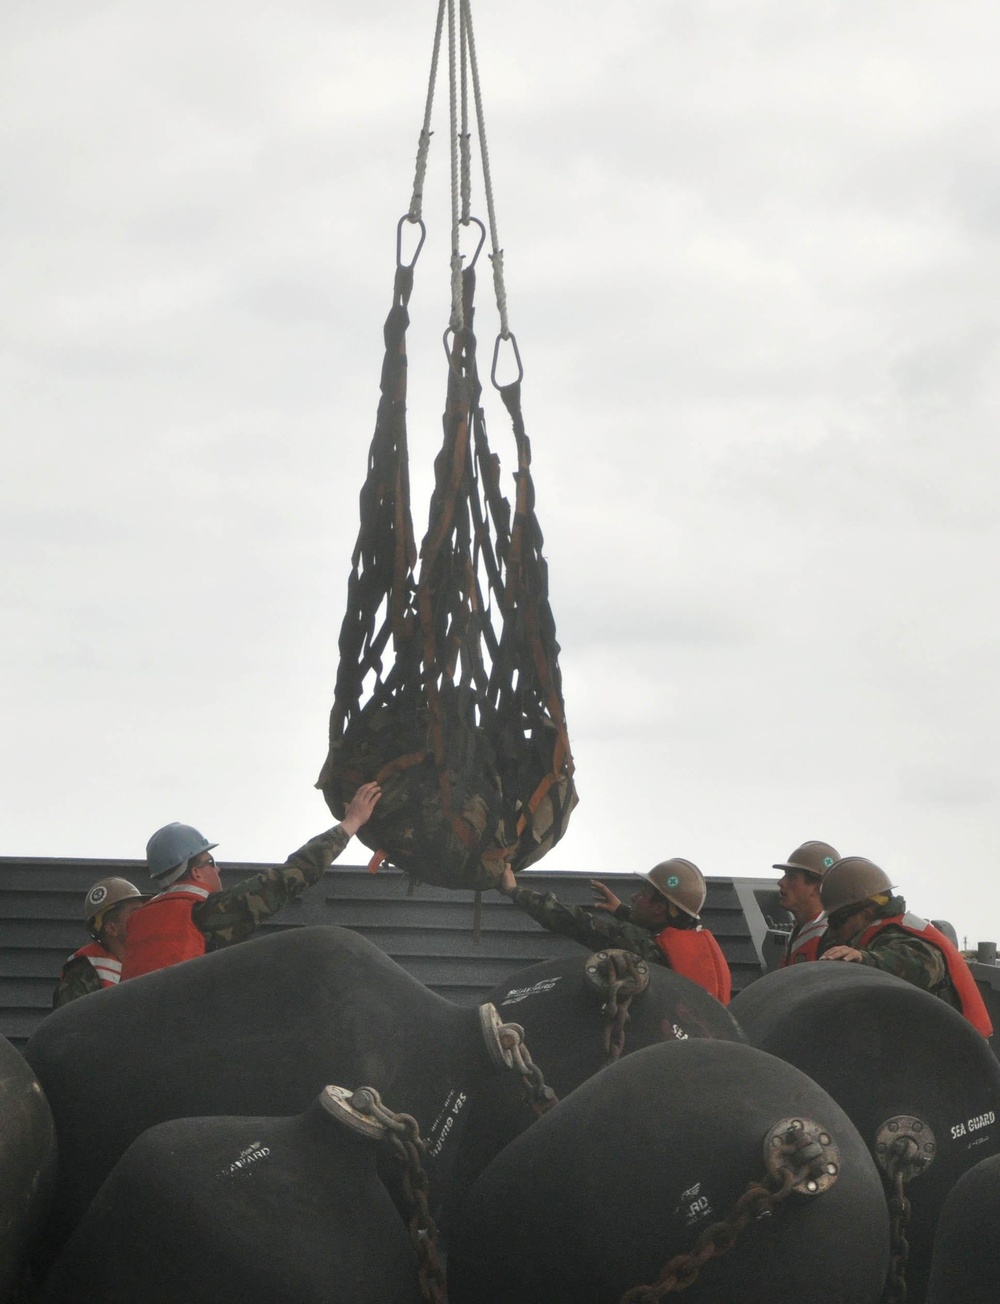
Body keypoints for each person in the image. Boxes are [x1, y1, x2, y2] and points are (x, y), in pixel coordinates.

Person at [121, 782, 381, 981]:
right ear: (197, 873)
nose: (218, 869)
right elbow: (289, 877)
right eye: (211, 862)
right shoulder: (206, 914)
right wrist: (352, 822)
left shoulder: (138, 924)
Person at [497, 858, 731, 1002]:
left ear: (659, 908)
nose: (634, 897)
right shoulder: (689, 944)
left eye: (643, 894)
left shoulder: (638, 945)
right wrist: (621, 910)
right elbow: (653, 939)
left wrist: (515, 891)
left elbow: (576, 923)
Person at [818, 856, 992, 1036]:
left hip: (961, 1048)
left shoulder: (901, 935)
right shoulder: (880, 932)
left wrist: (866, 960)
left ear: (866, 912)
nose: (833, 931)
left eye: (837, 920)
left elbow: (921, 964)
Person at [53, 878, 149, 1007]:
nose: (144, 917)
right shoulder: (82, 973)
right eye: (135, 912)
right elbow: (70, 1024)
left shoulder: (149, 961)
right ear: (111, 928)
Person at [774, 839, 840, 967]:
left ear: (817, 888)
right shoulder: (801, 931)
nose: (781, 882)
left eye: (792, 877)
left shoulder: (832, 937)